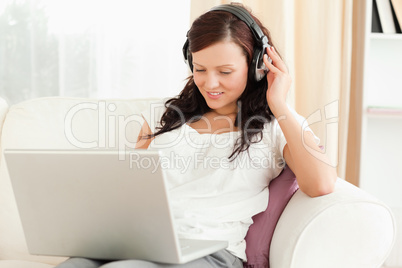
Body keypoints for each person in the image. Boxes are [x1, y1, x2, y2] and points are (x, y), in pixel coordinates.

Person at [56, 3, 336, 268]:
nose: (209, 83)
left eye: (225, 71)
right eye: (200, 69)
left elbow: (321, 184)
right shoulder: (161, 116)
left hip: (209, 252)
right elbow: (131, 193)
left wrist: (279, 103)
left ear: (257, 67)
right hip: (142, 242)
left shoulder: (276, 125)